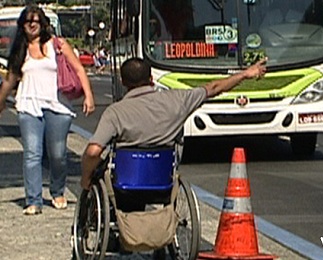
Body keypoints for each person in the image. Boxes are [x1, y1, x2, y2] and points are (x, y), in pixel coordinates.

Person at [80, 57, 267, 191]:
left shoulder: (115, 112)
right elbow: (214, 88)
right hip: (164, 177)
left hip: (126, 182)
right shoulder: (178, 99)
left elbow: (93, 152)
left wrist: (86, 179)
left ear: (123, 82)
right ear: (151, 79)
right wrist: (244, 74)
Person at [0, 4, 95, 215]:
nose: (32, 24)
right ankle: (33, 200)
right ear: (22, 25)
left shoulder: (58, 44)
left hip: (57, 105)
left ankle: (57, 191)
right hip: (29, 105)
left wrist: (88, 95)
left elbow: (78, 68)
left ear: (43, 24)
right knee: (32, 153)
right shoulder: (20, 49)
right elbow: (9, 81)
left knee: (58, 154)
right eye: (28, 21)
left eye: (35, 21)